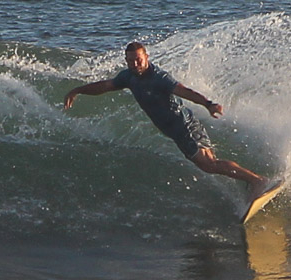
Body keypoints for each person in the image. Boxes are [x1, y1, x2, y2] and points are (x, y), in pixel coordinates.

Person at [63, 42, 278, 204]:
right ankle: (250, 181)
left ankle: (257, 181)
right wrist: (78, 90)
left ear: (146, 57)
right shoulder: (129, 77)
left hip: (184, 126)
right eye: (130, 60)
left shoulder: (158, 77)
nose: (134, 64)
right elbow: (106, 85)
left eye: (138, 59)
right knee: (210, 164)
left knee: (209, 165)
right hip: (177, 131)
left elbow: (184, 91)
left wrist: (208, 104)